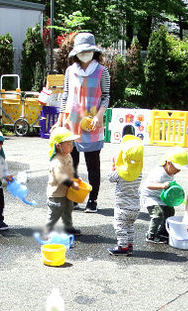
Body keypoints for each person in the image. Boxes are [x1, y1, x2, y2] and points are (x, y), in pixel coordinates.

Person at [52, 32, 110, 213]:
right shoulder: (70, 71)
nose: (85, 54)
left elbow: (106, 96)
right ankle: (75, 197)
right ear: (75, 53)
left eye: (88, 50)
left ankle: (93, 200)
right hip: (72, 124)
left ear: (94, 51)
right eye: (81, 51)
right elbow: (66, 96)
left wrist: (100, 115)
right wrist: (60, 120)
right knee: (72, 163)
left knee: (93, 164)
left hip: (92, 122)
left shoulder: (102, 71)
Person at [141, 148, 188, 244]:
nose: (178, 171)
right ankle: (151, 235)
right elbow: (148, 185)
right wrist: (162, 186)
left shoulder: (170, 171)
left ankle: (162, 231)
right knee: (157, 214)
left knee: (170, 211)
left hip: (161, 196)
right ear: (169, 163)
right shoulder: (159, 173)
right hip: (150, 196)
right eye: (177, 168)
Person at [107, 135, 143, 256]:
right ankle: (130, 245)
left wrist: (113, 167)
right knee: (129, 226)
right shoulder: (139, 172)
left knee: (119, 225)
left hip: (122, 207)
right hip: (135, 206)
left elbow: (110, 178)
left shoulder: (121, 172)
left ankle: (122, 247)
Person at [45, 127, 81, 235]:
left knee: (68, 209)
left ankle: (68, 227)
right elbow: (60, 176)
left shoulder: (68, 156)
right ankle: (47, 230)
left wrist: (75, 179)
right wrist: (71, 183)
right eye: (68, 144)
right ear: (58, 146)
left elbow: (70, 170)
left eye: (72, 143)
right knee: (54, 213)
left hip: (67, 192)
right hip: (56, 193)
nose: (72, 146)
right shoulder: (56, 160)